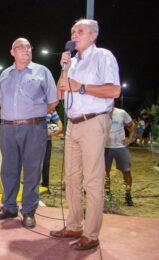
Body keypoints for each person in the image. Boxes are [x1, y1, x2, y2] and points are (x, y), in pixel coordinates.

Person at [49, 19, 121, 251]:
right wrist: (64, 68)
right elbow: (61, 95)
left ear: (93, 35)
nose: (74, 34)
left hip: (93, 121)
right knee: (71, 177)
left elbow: (114, 90)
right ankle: (74, 225)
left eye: (80, 31)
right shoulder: (73, 62)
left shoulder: (103, 56)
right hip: (73, 124)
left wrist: (81, 87)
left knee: (92, 179)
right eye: (72, 31)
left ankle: (91, 234)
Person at [0, 37, 58, 229]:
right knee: (8, 169)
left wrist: (35, 115)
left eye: (29, 47)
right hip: (8, 128)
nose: (26, 50)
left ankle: (28, 210)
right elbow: (0, 102)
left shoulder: (42, 72)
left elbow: (53, 101)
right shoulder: (4, 74)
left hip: (34, 128)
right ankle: (9, 207)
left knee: (32, 171)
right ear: (12, 52)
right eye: (21, 47)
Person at [105, 107, 136, 206]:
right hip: (105, 147)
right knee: (105, 173)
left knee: (126, 172)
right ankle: (107, 194)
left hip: (120, 146)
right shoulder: (99, 112)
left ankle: (128, 195)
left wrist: (130, 139)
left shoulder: (121, 112)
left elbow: (132, 125)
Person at [41, 109, 63, 190]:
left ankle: (45, 186)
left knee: (46, 163)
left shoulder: (52, 109)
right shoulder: (36, 106)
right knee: (34, 164)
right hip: (35, 140)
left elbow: (59, 124)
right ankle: (32, 187)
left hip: (47, 140)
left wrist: (57, 131)